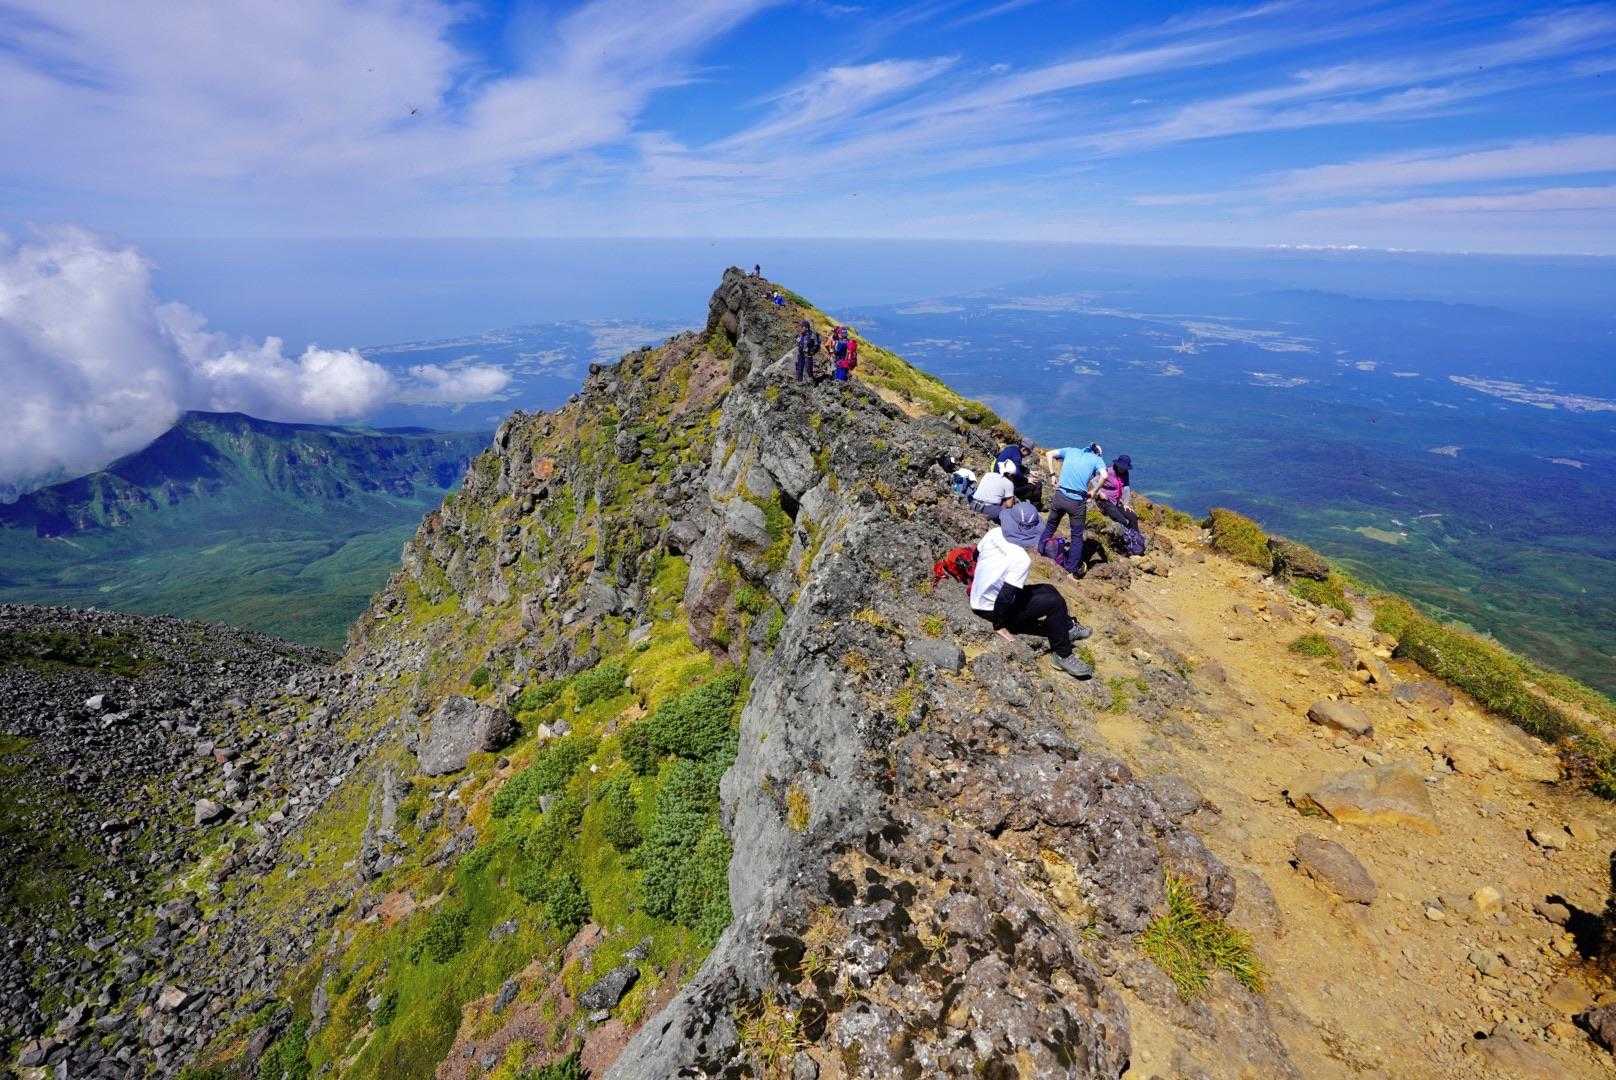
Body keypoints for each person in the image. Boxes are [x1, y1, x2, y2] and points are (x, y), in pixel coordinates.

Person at [969, 524, 1094, 679]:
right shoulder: (1021, 558)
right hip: (992, 608)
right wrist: (999, 625)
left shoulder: (995, 533)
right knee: (1054, 603)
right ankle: (1062, 655)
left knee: (1048, 588)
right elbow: (1005, 597)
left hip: (979, 597)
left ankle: (1067, 628)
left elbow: (976, 555)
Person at [1039, 441, 1106, 576]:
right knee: (1076, 536)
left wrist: (1053, 476)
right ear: (1098, 454)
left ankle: (1040, 551)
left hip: (1060, 496)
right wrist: (1094, 491)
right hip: (1076, 502)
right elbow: (1104, 475)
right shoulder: (1096, 459)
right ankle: (1071, 568)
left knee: (1051, 526)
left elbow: (1049, 454)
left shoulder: (1070, 450)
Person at [1096, 454, 1139, 530]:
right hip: (1105, 501)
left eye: (1125, 468)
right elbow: (1094, 481)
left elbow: (1126, 488)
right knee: (1122, 520)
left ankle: (1136, 536)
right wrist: (1100, 493)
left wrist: (1126, 504)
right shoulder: (1108, 471)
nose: (1123, 469)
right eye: (1121, 467)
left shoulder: (1125, 473)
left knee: (1133, 517)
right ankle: (1127, 535)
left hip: (1117, 502)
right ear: (1117, 464)